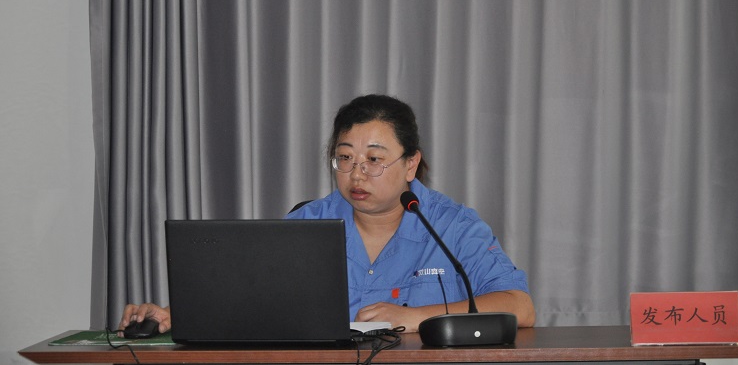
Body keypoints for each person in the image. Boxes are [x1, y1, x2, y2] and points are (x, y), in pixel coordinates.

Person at [119, 94, 535, 334]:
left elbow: (519, 306)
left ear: (411, 164)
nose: (357, 173)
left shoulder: (452, 225)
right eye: (345, 158)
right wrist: (173, 315)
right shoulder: (306, 225)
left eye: (374, 159)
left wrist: (417, 318)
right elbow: (246, 303)